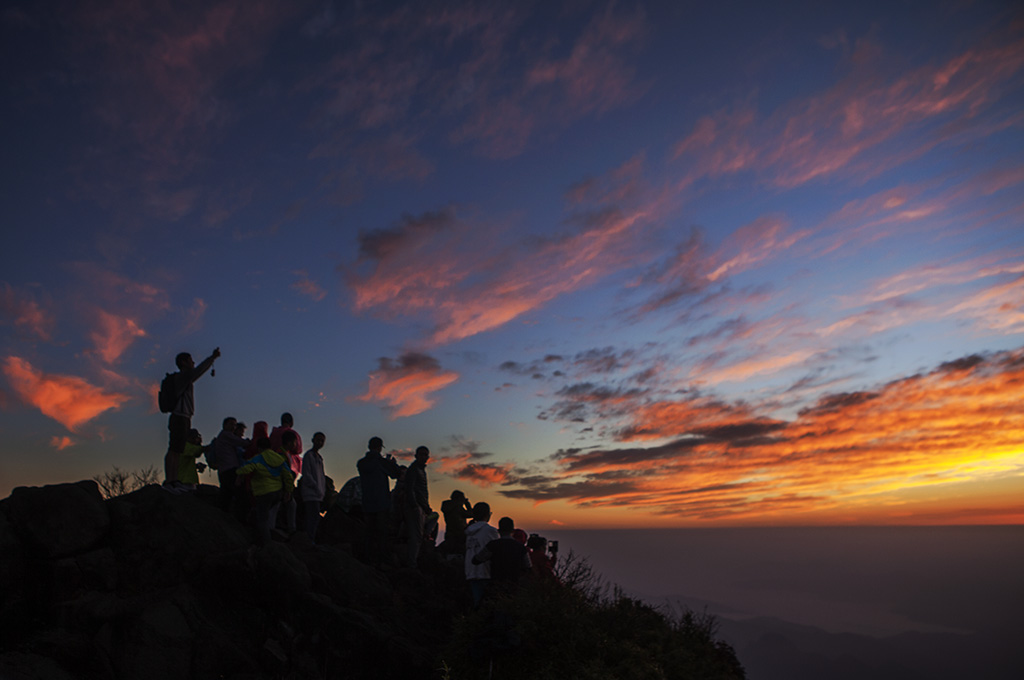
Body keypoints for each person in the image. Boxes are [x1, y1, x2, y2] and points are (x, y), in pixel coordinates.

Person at [163, 348, 220, 484]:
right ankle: (171, 480)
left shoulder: (183, 378)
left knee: (177, 449)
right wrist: (212, 358)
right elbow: (198, 371)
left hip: (183, 417)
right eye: (190, 360)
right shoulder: (183, 376)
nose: (193, 363)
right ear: (184, 362)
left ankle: (173, 480)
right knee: (174, 450)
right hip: (180, 416)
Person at [235, 436, 295, 544]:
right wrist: (288, 491)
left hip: (264, 493)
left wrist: (239, 475)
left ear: (259, 448)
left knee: (262, 520)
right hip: (277, 493)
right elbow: (288, 476)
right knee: (269, 514)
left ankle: (267, 545)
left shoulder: (258, 458)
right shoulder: (279, 458)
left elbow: (246, 468)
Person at [357, 436, 401, 566]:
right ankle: (381, 559)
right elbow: (396, 474)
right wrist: (392, 463)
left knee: (369, 531)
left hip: (367, 501)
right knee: (382, 532)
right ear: (380, 447)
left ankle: (367, 558)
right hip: (382, 502)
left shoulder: (361, 463)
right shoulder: (381, 462)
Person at [473, 517, 531, 598]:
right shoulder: (521, 547)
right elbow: (528, 566)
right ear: (512, 530)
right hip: (514, 585)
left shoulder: (492, 545)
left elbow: (476, 560)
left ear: (499, 530)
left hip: (496, 584)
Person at [210, 416, 249, 513]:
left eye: (235, 425)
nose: (233, 427)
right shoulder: (226, 435)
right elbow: (242, 443)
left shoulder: (223, 437)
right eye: (231, 424)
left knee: (226, 495)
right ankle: (239, 519)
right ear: (224, 425)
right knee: (241, 494)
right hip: (230, 469)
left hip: (223, 470)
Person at [401, 446, 432, 567]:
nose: (424, 457)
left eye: (426, 455)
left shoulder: (420, 469)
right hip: (415, 507)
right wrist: (414, 505)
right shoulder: (413, 469)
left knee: (432, 519)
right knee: (416, 536)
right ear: (416, 456)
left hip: (421, 507)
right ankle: (412, 563)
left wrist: (426, 507)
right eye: (422, 454)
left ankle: (414, 560)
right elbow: (410, 489)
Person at [464, 502, 499, 607]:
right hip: (486, 571)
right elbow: (496, 550)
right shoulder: (491, 531)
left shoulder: (469, 532)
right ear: (488, 514)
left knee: (477, 603)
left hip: (470, 571)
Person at [297, 432, 327, 543]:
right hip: (311, 493)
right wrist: (316, 487)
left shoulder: (319, 458)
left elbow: (321, 476)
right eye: (318, 440)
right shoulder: (308, 456)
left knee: (314, 518)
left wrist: (322, 491)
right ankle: (309, 541)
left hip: (318, 494)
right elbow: (307, 475)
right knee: (312, 518)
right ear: (313, 440)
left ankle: (310, 540)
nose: (320, 443)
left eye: (322, 441)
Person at [440, 490, 474, 555]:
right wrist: (468, 505)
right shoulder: (458, 508)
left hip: (450, 533)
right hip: (460, 535)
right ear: (459, 498)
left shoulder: (447, 506)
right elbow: (471, 514)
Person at [269, 413, 302, 477]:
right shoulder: (293, 434)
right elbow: (298, 450)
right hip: (289, 464)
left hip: (272, 462)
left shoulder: (274, 432)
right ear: (291, 422)